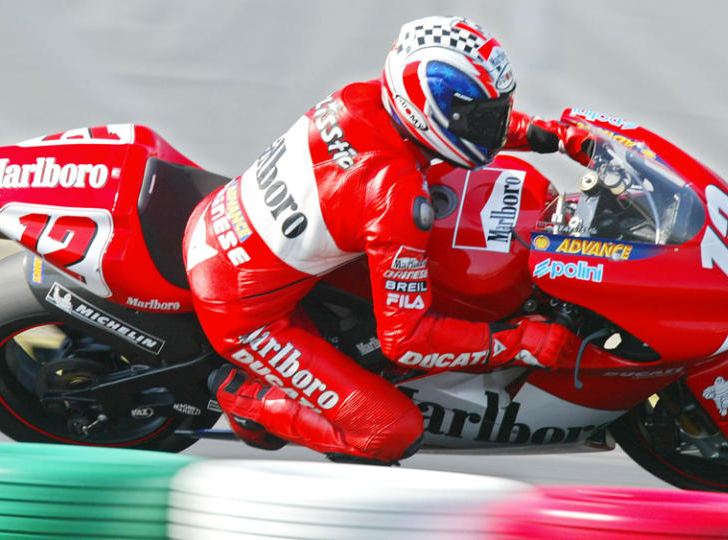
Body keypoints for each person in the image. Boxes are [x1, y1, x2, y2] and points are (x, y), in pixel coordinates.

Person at [183, 15, 594, 464]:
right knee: (390, 431)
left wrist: (544, 134)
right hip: (242, 310)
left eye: (496, 112)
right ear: (430, 109)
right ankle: (249, 402)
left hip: (227, 227)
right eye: (481, 117)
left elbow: (446, 127)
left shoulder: (363, 97)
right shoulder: (395, 195)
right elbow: (407, 340)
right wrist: (519, 341)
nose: (493, 125)